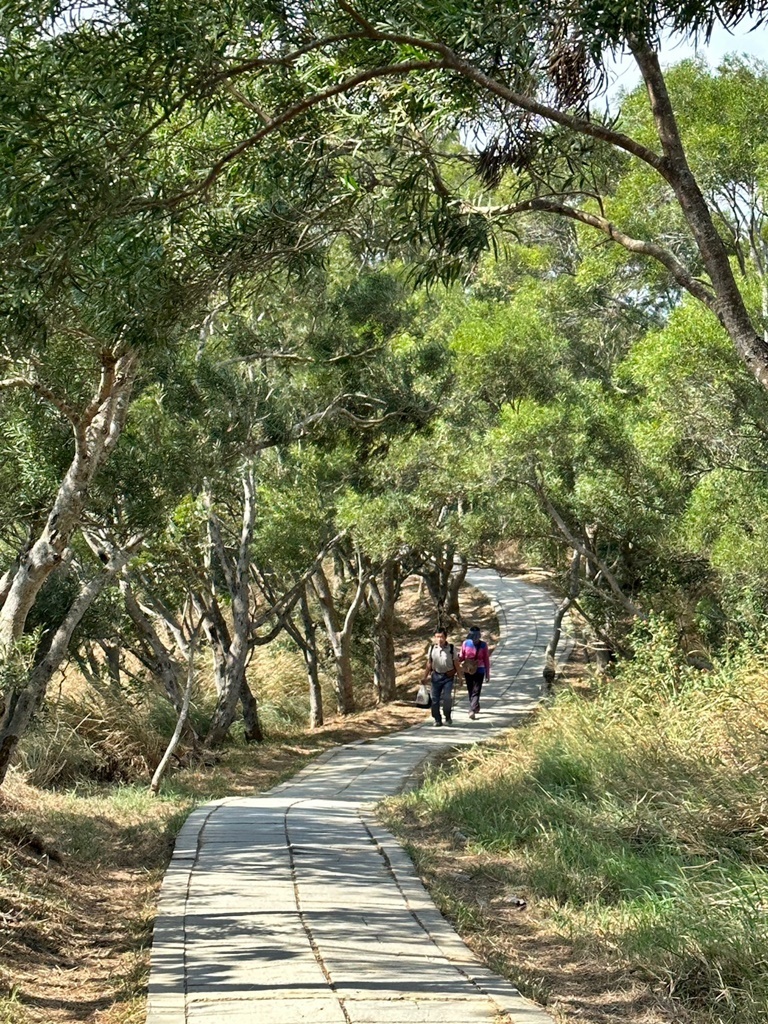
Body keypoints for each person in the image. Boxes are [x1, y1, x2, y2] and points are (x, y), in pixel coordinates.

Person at [422, 628, 462, 727]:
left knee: (447, 697)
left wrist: (460, 677)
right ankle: (437, 719)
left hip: (448, 677)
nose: (439, 639)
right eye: (437, 637)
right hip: (436, 676)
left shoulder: (451, 648)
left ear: (445, 637)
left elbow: (456, 664)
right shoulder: (432, 648)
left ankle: (447, 716)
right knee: (434, 699)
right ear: (435, 638)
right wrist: (425, 677)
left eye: (441, 637)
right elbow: (429, 664)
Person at [460, 625, 490, 720]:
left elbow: (486, 660)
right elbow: (462, 656)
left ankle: (472, 710)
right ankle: (475, 705)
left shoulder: (483, 645)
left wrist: (487, 673)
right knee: (470, 689)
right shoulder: (465, 643)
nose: (474, 639)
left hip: (480, 669)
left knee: (476, 690)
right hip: (468, 669)